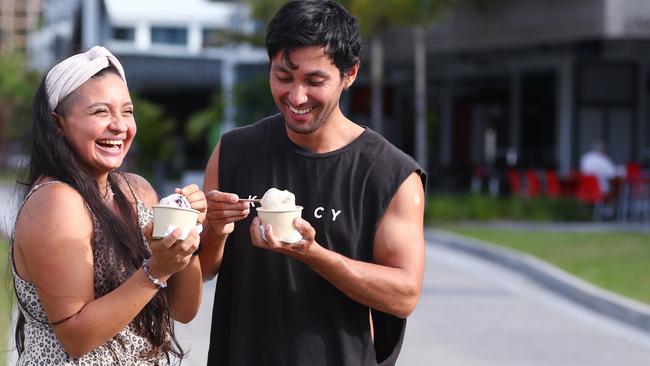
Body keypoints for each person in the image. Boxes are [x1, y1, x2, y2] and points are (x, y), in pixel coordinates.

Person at [198, 1, 427, 365]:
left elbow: (404, 295)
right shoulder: (234, 150)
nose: (297, 96)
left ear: (349, 74)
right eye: (284, 77)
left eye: (315, 81)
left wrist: (313, 254)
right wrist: (216, 227)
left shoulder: (390, 173)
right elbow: (205, 269)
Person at [10, 46, 206, 365]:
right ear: (57, 123)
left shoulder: (137, 191)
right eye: (100, 112)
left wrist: (188, 238)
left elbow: (183, 310)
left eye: (127, 111)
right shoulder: (56, 202)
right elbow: (76, 337)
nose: (119, 125)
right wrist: (156, 270)